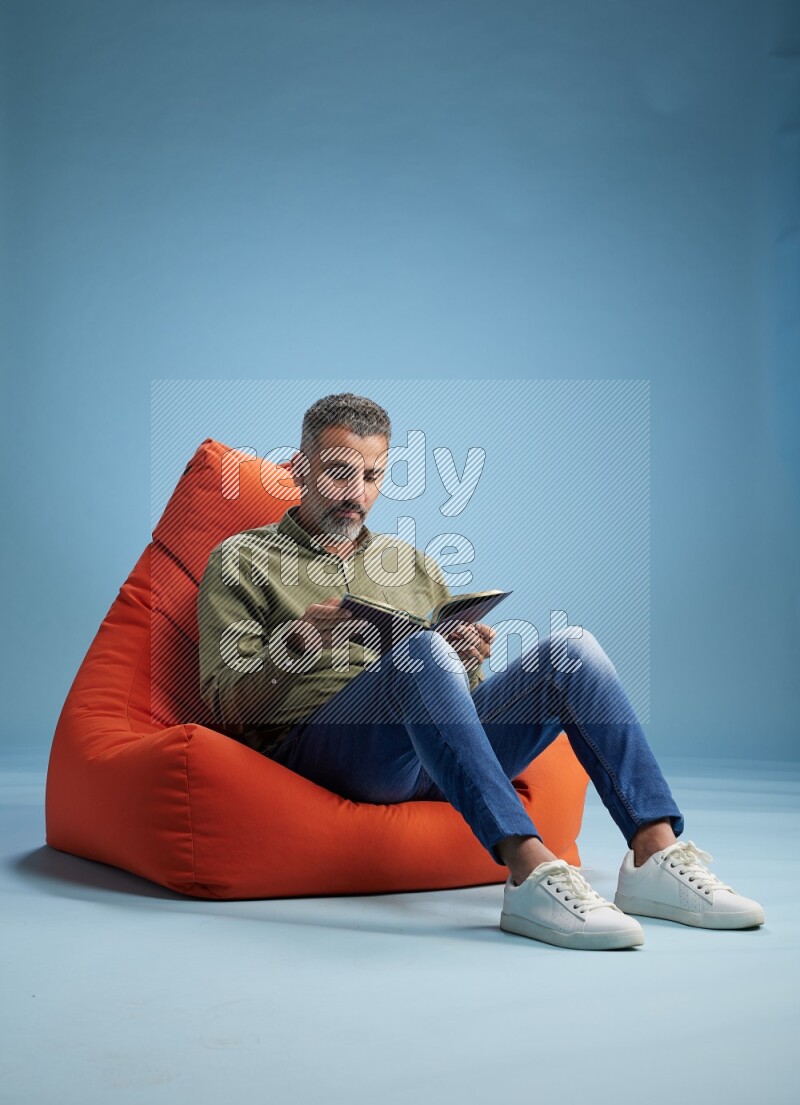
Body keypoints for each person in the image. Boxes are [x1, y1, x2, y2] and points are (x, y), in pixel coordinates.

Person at [197, 392, 765, 951]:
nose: (357, 495)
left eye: (372, 477)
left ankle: (654, 855)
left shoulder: (412, 565)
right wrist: (300, 642)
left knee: (574, 650)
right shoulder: (243, 558)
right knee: (420, 653)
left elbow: (455, 707)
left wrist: (466, 660)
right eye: (339, 474)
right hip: (327, 750)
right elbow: (224, 707)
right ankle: (529, 872)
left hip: (429, 759)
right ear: (300, 470)